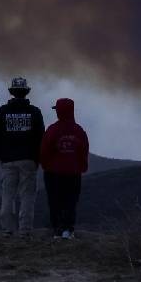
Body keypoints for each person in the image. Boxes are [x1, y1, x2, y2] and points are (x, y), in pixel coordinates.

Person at [0, 76, 45, 237]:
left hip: (8, 160)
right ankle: (25, 229)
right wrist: (37, 158)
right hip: (28, 159)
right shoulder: (34, 112)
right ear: (25, 93)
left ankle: (8, 228)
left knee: (7, 194)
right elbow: (41, 137)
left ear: (12, 92)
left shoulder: (3, 111)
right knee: (27, 195)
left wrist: (1, 155)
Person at [40, 98, 89, 239]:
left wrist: (46, 166)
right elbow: (83, 150)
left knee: (55, 201)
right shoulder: (79, 131)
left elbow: (44, 151)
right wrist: (81, 167)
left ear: (59, 112)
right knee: (71, 201)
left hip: (53, 174)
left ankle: (57, 230)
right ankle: (68, 230)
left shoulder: (52, 130)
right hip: (73, 173)